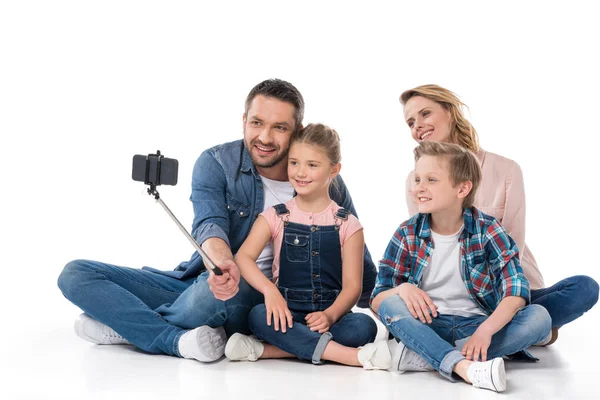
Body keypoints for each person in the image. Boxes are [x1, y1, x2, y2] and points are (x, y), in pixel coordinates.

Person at [57, 79, 377, 363]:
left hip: (274, 303)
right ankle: (172, 338)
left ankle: (129, 325)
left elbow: (355, 250)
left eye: (279, 127)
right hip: (210, 279)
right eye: (256, 123)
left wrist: (380, 302)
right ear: (243, 121)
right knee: (77, 274)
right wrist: (223, 267)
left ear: (298, 130)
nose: (264, 137)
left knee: (357, 328)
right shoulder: (216, 162)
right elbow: (209, 224)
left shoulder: (324, 180)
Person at [401, 84, 598, 345]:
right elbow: (425, 246)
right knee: (396, 304)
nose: (418, 126)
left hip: (507, 288)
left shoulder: (505, 169)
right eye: (411, 122)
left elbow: (514, 241)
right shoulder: (415, 181)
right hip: (454, 297)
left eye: (425, 114)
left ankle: (500, 329)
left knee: (584, 287)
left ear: (449, 112)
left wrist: (502, 297)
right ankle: (520, 334)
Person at [372, 141, 552, 392]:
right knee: (392, 304)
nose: (418, 188)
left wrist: (485, 331)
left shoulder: (488, 229)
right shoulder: (406, 232)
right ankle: (464, 366)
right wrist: (402, 290)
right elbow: (378, 299)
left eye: (431, 180)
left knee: (540, 317)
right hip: (429, 323)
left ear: (462, 188)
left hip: (476, 324)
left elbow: (516, 290)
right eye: (417, 179)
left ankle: (426, 354)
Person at [224, 124, 390, 369]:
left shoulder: (349, 224)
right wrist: (270, 292)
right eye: (294, 163)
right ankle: (347, 356)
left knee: (363, 328)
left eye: (312, 165)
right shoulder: (275, 216)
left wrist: (331, 315)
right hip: (286, 313)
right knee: (258, 317)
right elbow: (244, 258)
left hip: (331, 315)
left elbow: (353, 287)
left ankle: (270, 350)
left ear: (334, 170)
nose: (300, 172)